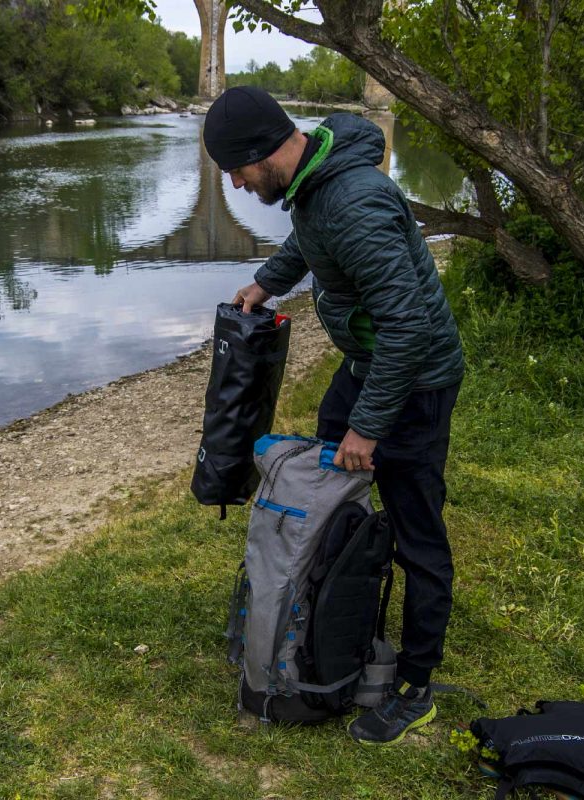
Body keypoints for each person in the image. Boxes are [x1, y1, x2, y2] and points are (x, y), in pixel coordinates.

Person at [202, 86, 465, 745]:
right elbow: (311, 243)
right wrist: (266, 280)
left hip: (414, 384)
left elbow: (406, 326)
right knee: (326, 511)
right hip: (364, 369)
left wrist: (369, 427)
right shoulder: (318, 180)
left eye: (235, 169)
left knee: (417, 534)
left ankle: (416, 687)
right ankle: (325, 637)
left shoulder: (355, 200)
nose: (234, 183)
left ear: (263, 152)